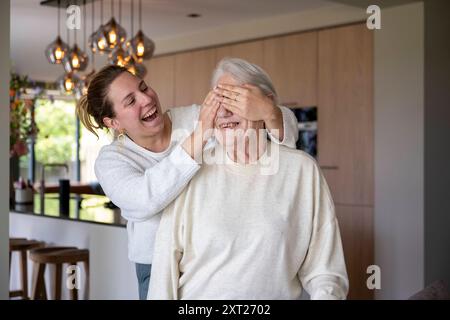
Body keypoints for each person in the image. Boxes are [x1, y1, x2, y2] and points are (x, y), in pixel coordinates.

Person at [76, 63, 299, 299]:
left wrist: (268, 111)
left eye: (144, 87)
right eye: (131, 101)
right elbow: (143, 201)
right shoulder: (112, 160)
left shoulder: (195, 115)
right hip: (154, 264)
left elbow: (287, 135)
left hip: (213, 258)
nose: (147, 99)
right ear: (113, 122)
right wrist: (201, 134)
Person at [148, 58, 349, 300]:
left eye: (235, 99)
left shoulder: (301, 171)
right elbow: (164, 270)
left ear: (265, 106)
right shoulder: (191, 170)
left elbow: (326, 272)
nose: (223, 111)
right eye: (218, 101)